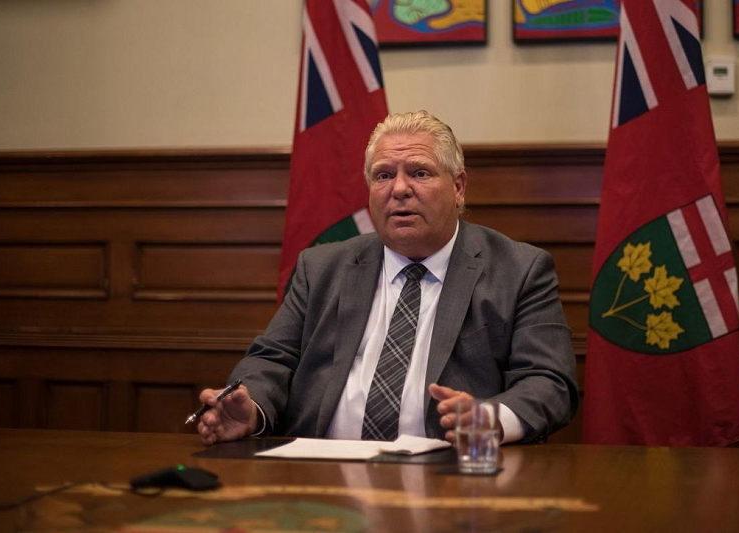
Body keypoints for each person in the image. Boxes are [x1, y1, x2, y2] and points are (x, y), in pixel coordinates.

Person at [197, 110, 578, 445]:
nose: (399, 189)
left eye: (420, 173)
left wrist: (489, 419)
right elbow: (272, 360)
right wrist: (252, 408)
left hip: (452, 475)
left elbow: (550, 382)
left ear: (458, 188)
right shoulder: (321, 268)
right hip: (322, 470)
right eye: (383, 175)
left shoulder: (519, 269)